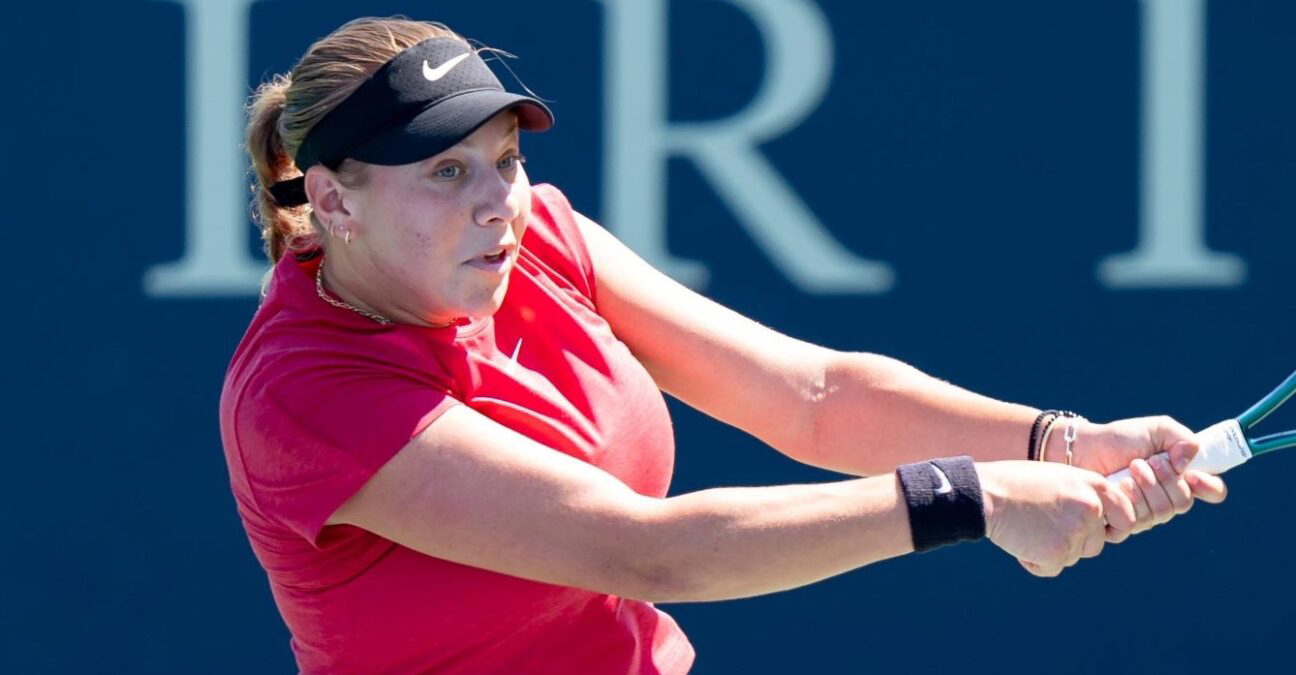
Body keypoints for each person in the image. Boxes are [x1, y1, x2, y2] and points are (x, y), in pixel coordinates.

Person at [220, 16, 1227, 674]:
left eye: (505, 160)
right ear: (333, 199)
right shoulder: (306, 395)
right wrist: (973, 497)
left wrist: (1055, 443)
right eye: (446, 174)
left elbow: (814, 394)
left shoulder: (545, 241)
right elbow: (643, 551)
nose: (499, 204)